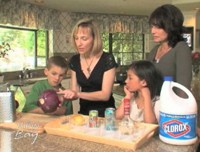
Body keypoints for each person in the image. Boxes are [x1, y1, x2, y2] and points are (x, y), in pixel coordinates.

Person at [58, 18, 118, 117]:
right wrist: (65, 96)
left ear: (94, 39)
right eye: (76, 38)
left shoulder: (107, 59)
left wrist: (77, 94)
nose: (78, 43)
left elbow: (105, 95)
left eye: (84, 38)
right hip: (84, 114)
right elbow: (74, 92)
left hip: (106, 115)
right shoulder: (75, 60)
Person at [147, 4, 192, 90]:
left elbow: (183, 88)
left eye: (158, 27)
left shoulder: (181, 48)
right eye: (152, 27)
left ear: (171, 27)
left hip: (171, 102)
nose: (152, 31)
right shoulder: (154, 50)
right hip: (153, 102)